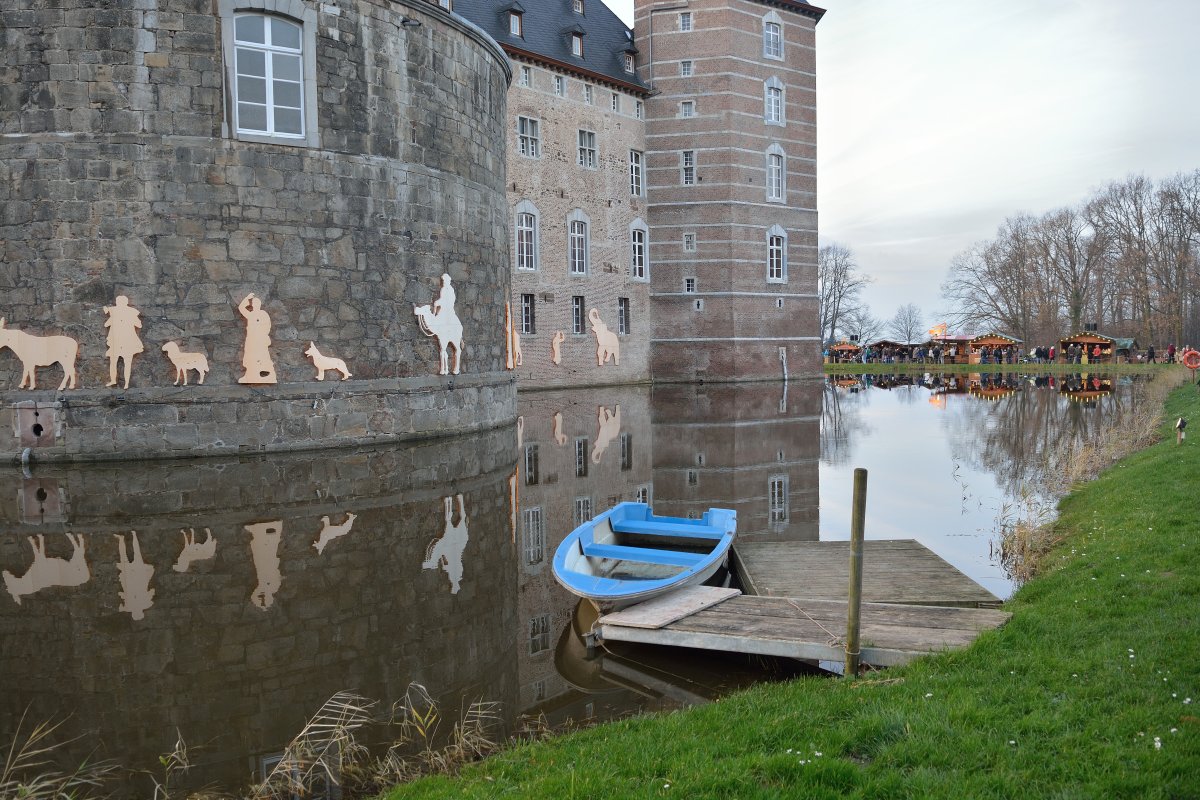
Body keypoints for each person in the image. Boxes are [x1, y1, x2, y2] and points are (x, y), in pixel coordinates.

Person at [103, 295, 143, 389]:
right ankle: (114, 380)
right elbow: (106, 324)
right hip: (116, 341)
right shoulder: (115, 314)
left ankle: (126, 383)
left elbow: (139, 325)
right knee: (114, 362)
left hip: (127, 341)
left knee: (126, 363)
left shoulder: (130, 313)